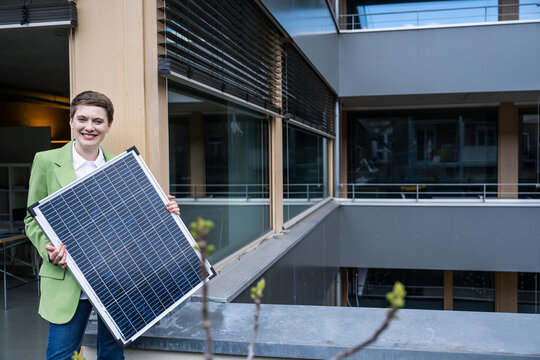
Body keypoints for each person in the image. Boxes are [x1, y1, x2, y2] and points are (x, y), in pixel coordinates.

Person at [24, 90, 180, 360]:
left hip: (115, 278)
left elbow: (137, 221)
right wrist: (46, 247)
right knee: (60, 355)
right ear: (70, 121)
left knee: (111, 355)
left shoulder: (121, 168)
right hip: (67, 278)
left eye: (98, 121)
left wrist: (166, 211)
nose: (89, 127)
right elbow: (31, 218)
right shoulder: (46, 162)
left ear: (108, 126)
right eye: (82, 119)